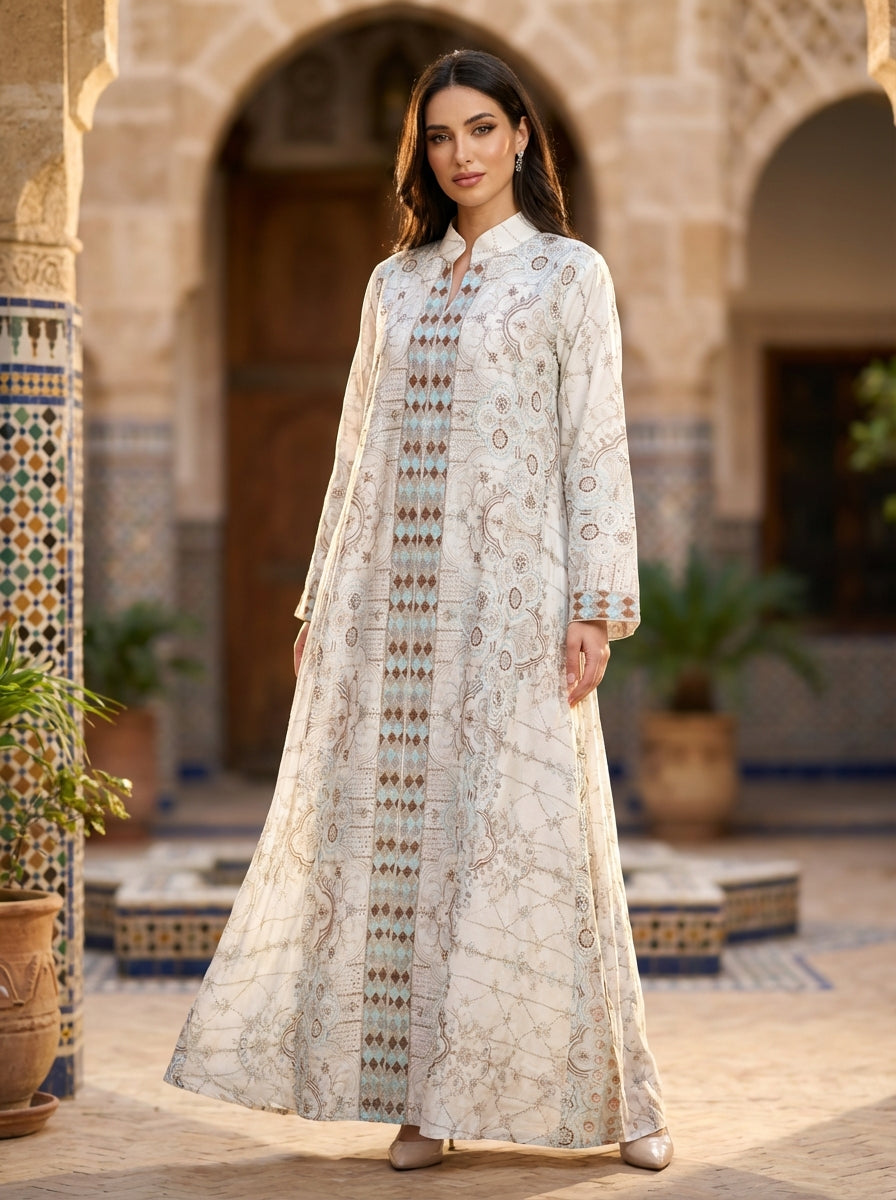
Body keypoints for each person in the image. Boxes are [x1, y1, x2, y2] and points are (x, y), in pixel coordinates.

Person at [165, 48, 672, 1174]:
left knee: (541, 836)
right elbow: (355, 452)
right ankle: (421, 1105)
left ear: (520, 137)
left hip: (515, 608)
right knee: (404, 851)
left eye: (481, 130)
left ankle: (623, 1101)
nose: (461, 154)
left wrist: (591, 607)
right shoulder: (391, 285)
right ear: (422, 150)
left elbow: (593, 445)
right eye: (440, 136)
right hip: (391, 613)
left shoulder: (567, 277)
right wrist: (319, 599)